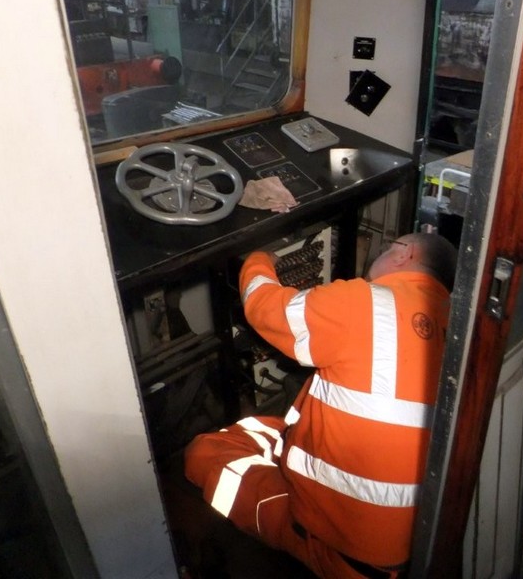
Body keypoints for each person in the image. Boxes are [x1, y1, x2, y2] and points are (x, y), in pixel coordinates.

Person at [184, 232, 458, 578]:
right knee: (264, 429)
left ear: (406, 253)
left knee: (202, 454)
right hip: (414, 545)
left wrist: (257, 257)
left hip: (341, 551)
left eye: (389, 245)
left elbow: (264, 307)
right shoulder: (462, 325)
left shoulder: (365, 302)